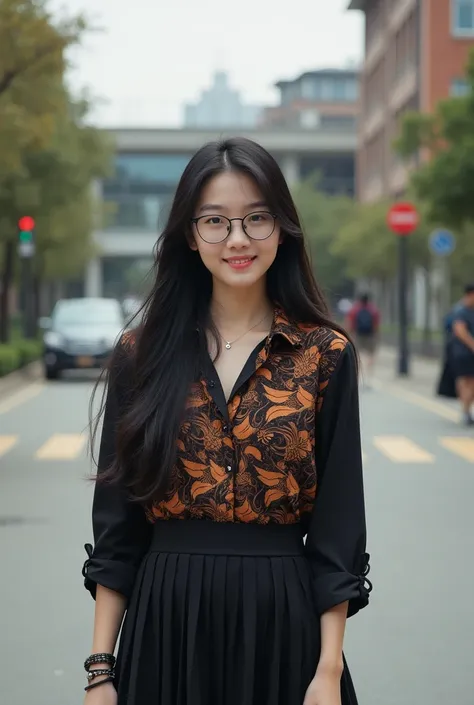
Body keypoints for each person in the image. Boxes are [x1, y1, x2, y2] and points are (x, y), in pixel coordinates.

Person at [82, 137, 372, 705]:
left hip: (283, 623)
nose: (238, 239)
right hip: (167, 620)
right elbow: (117, 531)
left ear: (282, 228)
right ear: (190, 235)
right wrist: (101, 673)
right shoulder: (140, 355)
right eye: (216, 221)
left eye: (256, 219)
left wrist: (328, 670)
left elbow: (339, 530)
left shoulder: (324, 355)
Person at [450, 284, 474, 425]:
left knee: (470, 382)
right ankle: (465, 411)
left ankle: (466, 411)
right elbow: (460, 330)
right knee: (465, 381)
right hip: (462, 352)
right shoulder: (460, 310)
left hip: (468, 352)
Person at [347, 293, 380, 387]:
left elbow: (350, 323)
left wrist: (349, 335)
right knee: (371, 356)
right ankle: (369, 378)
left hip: (358, 335)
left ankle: (359, 378)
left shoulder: (355, 309)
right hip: (370, 335)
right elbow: (376, 325)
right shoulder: (373, 310)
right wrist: (377, 336)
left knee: (357, 356)